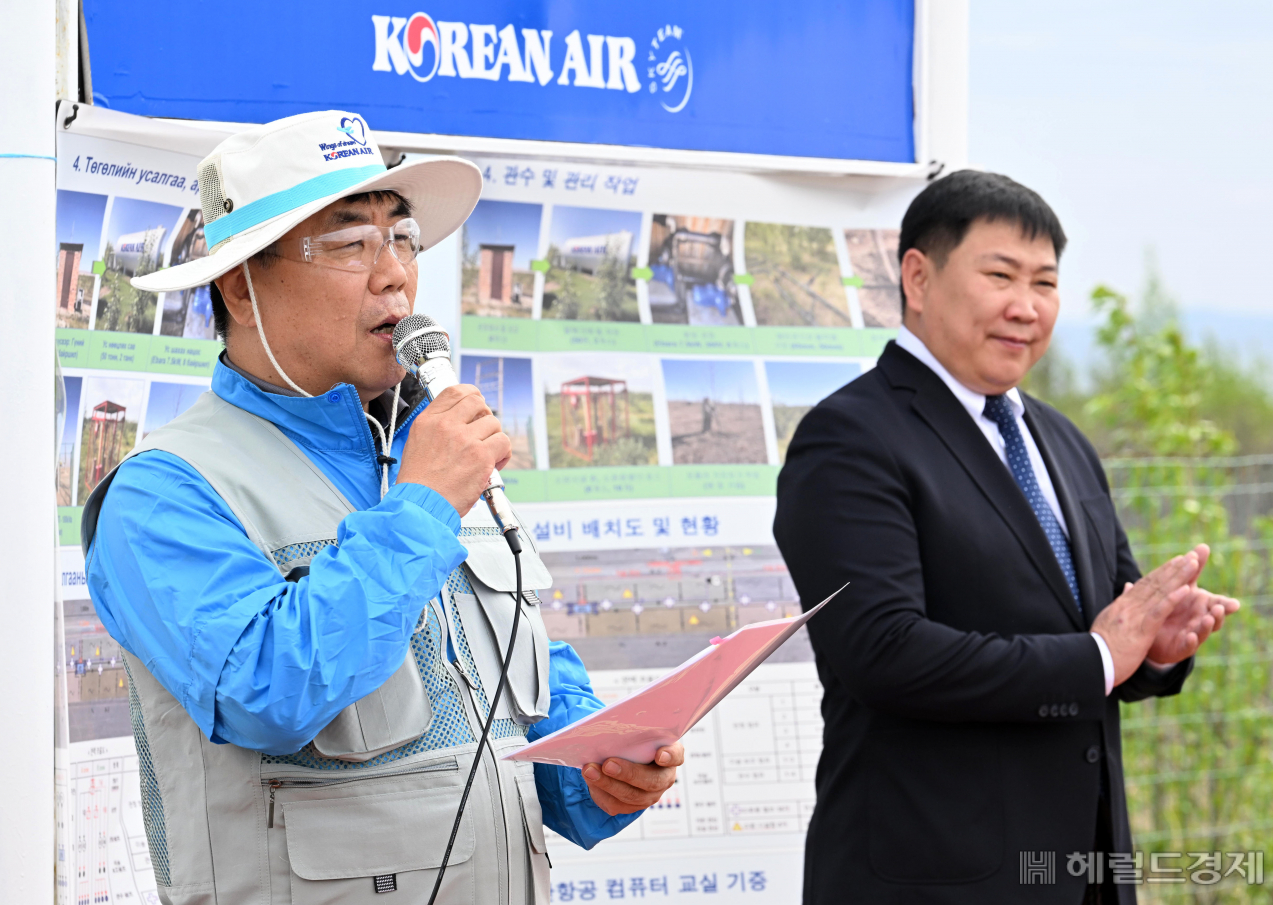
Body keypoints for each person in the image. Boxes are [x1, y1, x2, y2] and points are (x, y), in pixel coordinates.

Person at [81, 110, 683, 905]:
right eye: (349, 243)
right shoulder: (166, 489)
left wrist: (600, 771)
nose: (393, 272)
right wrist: (423, 504)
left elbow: (510, 697)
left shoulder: (424, 450)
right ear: (239, 281)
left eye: (402, 238)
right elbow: (266, 691)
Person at [774, 170, 1239, 905]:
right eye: (1000, 275)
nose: (1026, 307)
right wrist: (1095, 656)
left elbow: (1102, 626)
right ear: (918, 278)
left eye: (1046, 283)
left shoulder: (1058, 437)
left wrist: (1149, 647)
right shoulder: (852, 438)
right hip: (935, 878)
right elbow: (882, 651)